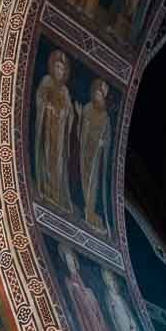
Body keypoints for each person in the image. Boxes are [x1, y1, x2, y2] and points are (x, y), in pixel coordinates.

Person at [34, 49, 74, 213]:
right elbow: (40, 97)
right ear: (53, 68)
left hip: (60, 130)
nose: (59, 71)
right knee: (47, 155)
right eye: (57, 67)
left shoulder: (65, 90)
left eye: (62, 69)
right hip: (47, 127)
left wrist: (67, 113)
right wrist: (46, 106)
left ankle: (57, 194)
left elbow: (69, 110)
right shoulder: (46, 80)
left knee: (58, 161)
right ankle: (46, 188)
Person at [76, 78, 112, 232]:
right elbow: (80, 132)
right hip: (84, 152)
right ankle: (85, 209)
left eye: (101, 94)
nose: (98, 96)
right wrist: (79, 117)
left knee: (93, 182)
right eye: (96, 93)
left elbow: (108, 138)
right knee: (83, 179)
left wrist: (103, 143)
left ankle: (90, 212)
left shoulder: (106, 117)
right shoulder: (87, 108)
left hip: (96, 157)